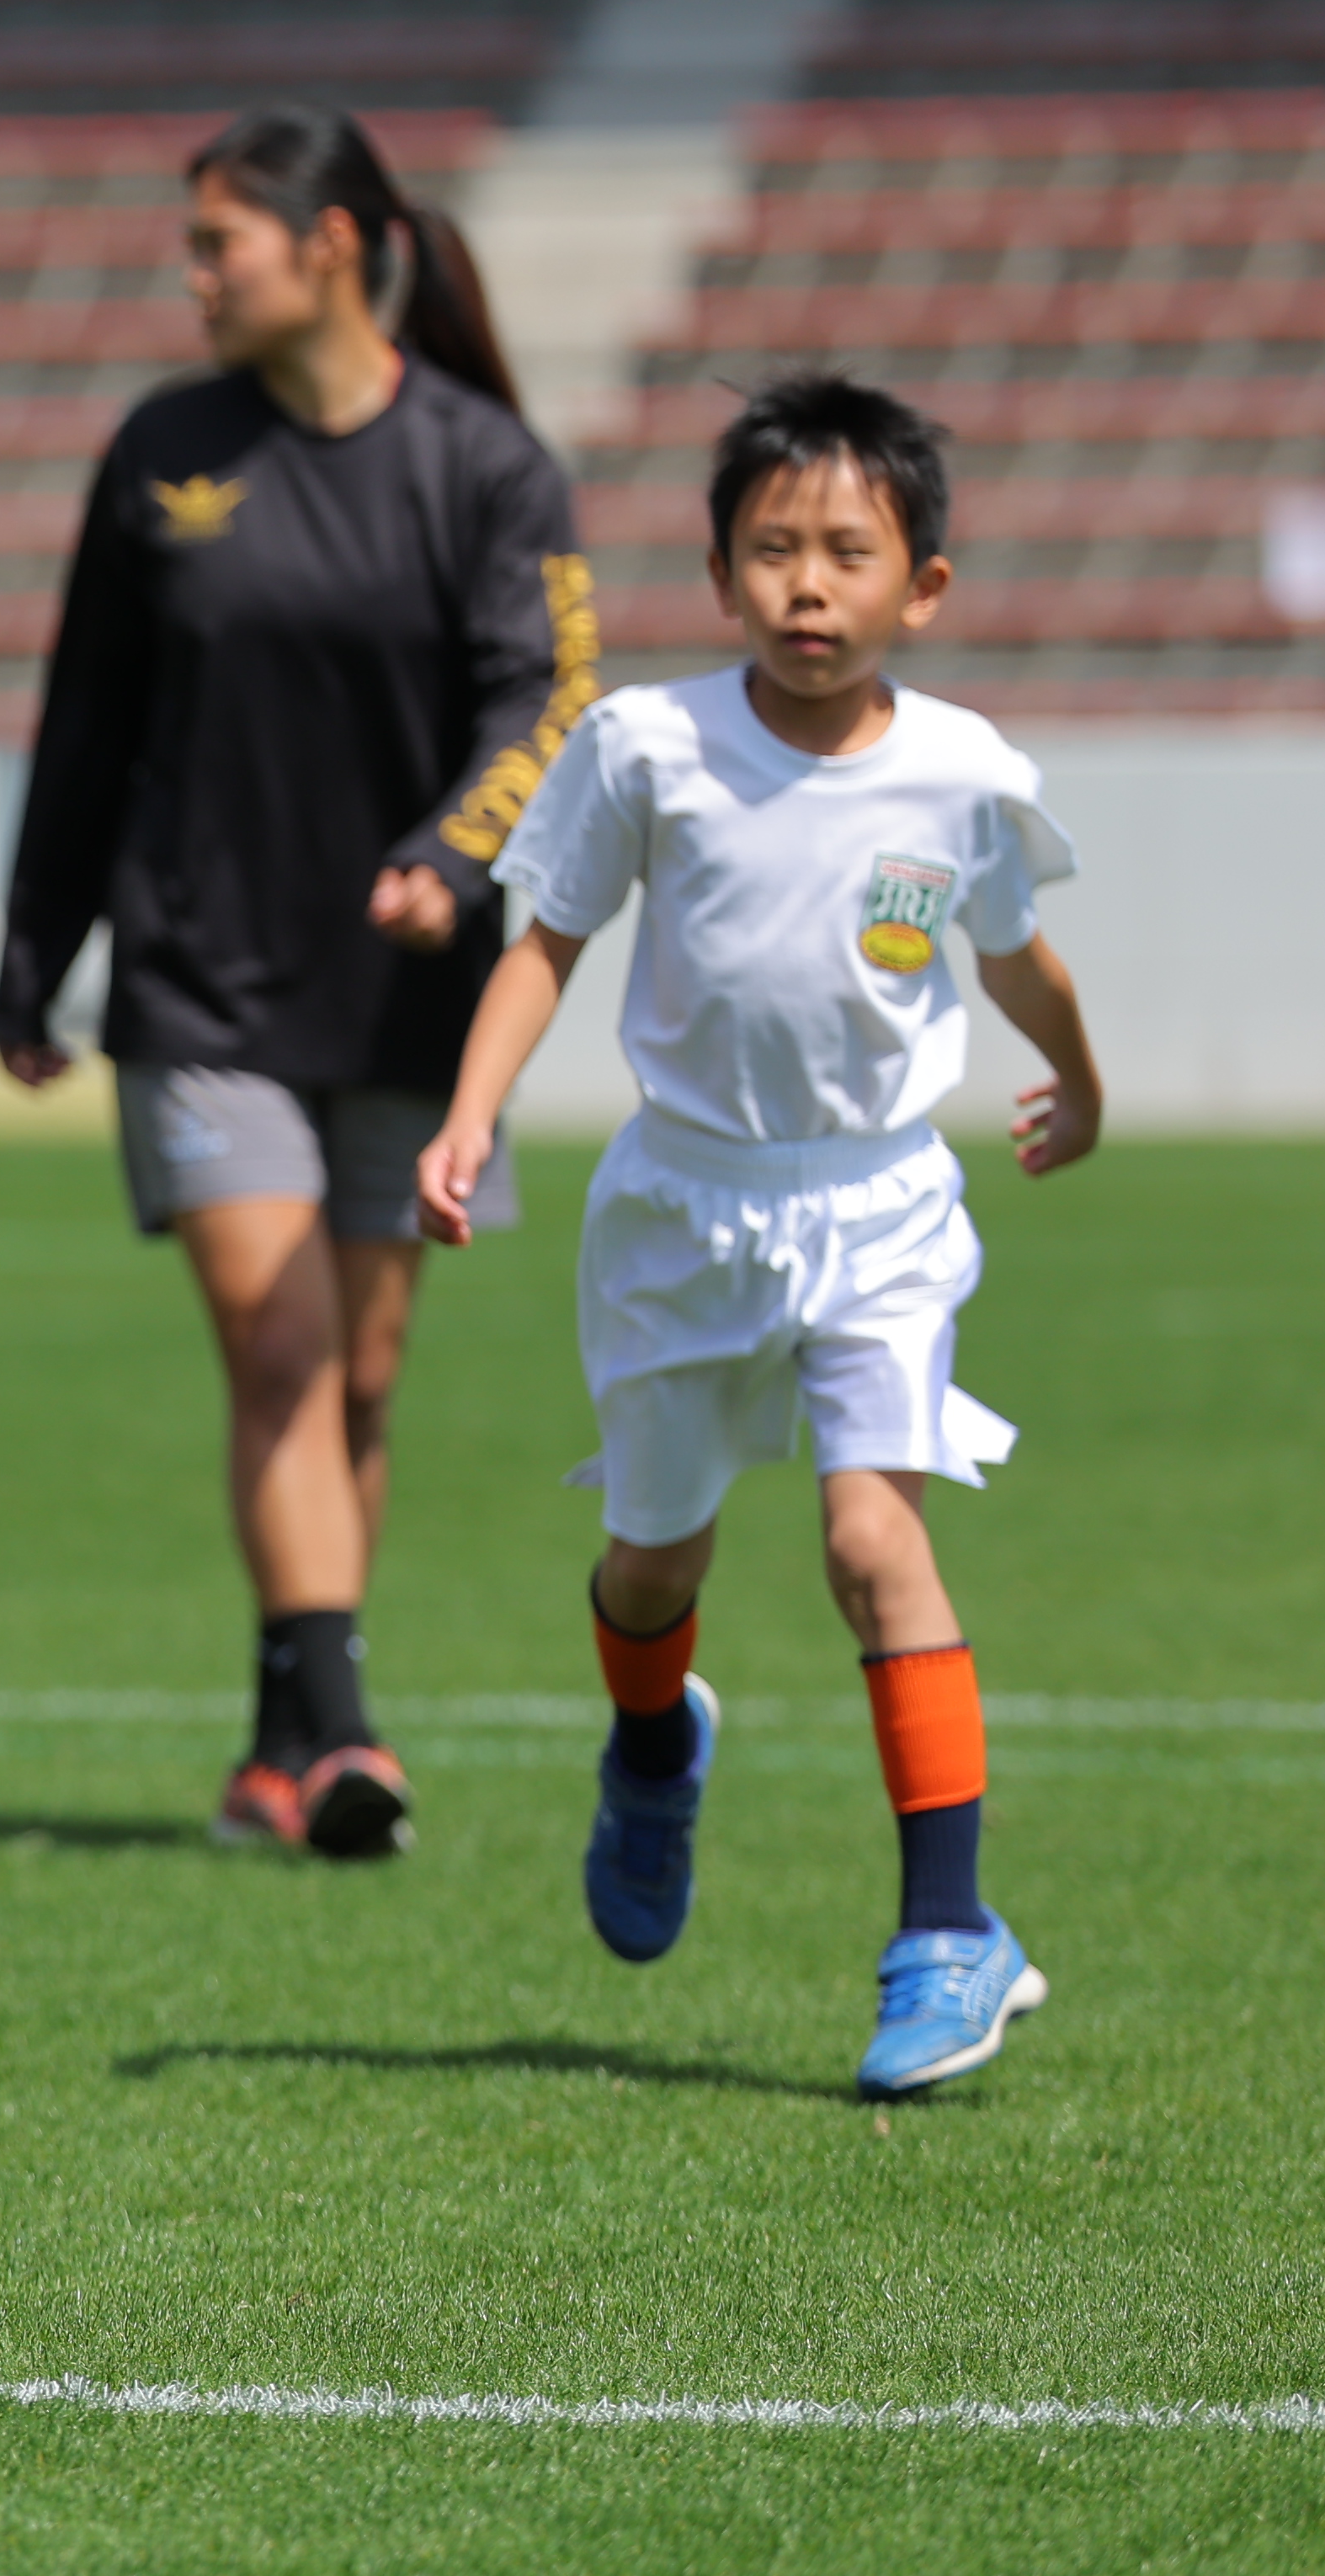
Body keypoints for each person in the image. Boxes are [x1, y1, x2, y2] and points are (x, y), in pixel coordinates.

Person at [417, 373, 1098, 2101]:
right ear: (721, 573)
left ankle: (950, 1930)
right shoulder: (647, 744)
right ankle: (657, 1744)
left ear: (922, 584)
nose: (809, 583)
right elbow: (545, 935)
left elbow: (1014, 951)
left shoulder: (963, 775)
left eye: (848, 550)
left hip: (879, 1207)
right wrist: (472, 1108)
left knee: (876, 1543)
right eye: (772, 546)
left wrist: (1077, 1076)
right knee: (656, 1565)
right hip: (681, 1213)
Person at [0, 101, 599, 1860]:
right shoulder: (159, 450)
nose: (193, 278)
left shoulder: (490, 465)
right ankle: (342, 1735)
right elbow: (86, 716)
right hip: (199, 987)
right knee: (284, 1347)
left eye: (217, 245)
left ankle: (278, 1736)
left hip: (413, 995)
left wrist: (455, 850)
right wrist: (41, 954)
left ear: (328, 246)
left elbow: (547, 695)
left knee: (361, 1382)